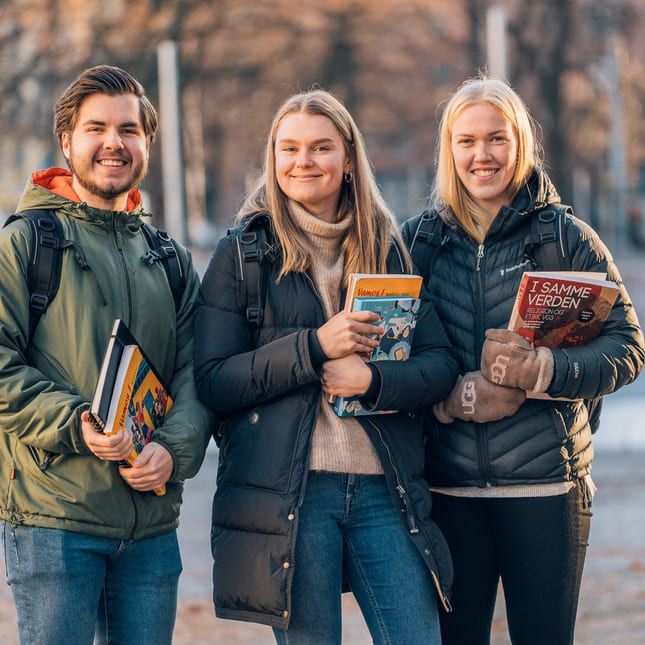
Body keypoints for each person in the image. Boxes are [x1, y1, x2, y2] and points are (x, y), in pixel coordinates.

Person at [193, 89, 459, 644]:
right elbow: (215, 380)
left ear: (347, 161)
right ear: (273, 160)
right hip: (293, 495)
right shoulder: (242, 255)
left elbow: (440, 367)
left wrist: (374, 382)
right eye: (288, 149)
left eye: (319, 148)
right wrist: (312, 348)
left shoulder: (388, 248)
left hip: (386, 493)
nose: (302, 162)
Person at [401, 75, 645, 645]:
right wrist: (446, 397)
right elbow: (393, 358)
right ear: (448, 151)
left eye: (496, 138)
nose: (481, 155)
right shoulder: (418, 243)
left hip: (548, 490)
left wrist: (544, 372)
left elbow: (629, 348)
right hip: (448, 492)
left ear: (520, 144)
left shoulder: (566, 238)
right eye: (466, 141)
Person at [0, 65, 213, 645]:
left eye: (129, 129)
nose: (114, 142)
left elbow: (197, 374)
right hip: (54, 522)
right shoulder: (26, 242)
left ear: (147, 143)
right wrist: (77, 423)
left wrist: (174, 451)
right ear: (67, 141)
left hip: (152, 529)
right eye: (96, 128)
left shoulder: (169, 258)